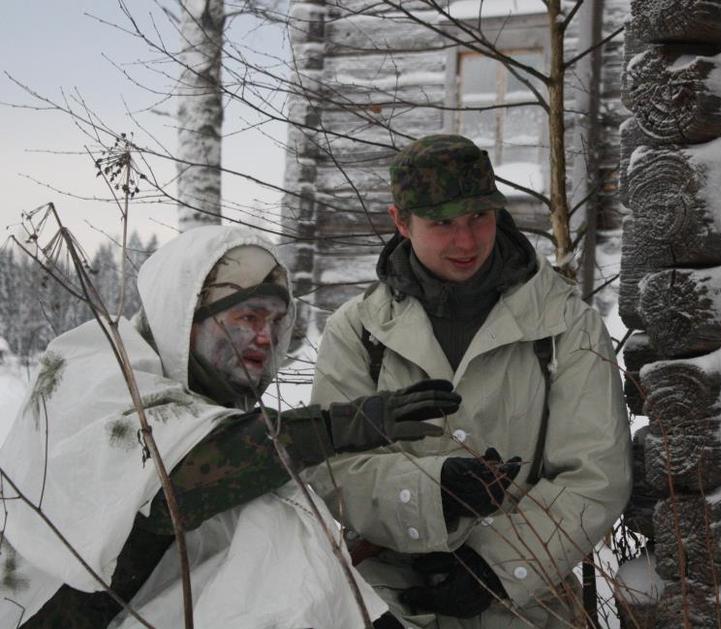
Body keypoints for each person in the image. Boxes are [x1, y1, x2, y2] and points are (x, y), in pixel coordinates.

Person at [0, 224, 460, 628]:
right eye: (247, 316)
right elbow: (170, 486)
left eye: (277, 321)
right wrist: (335, 426)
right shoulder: (99, 373)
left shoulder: (213, 412)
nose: (265, 336)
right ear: (187, 318)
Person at [310, 135, 632, 627]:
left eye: (478, 218)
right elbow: (333, 468)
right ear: (401, 221)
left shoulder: (566, 325)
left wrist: (495, 568)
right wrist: (430, 494)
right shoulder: (358, 331)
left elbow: (594, 475)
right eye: (441, 223)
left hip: (528, 603)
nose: (465, 241)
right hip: (388, 603)